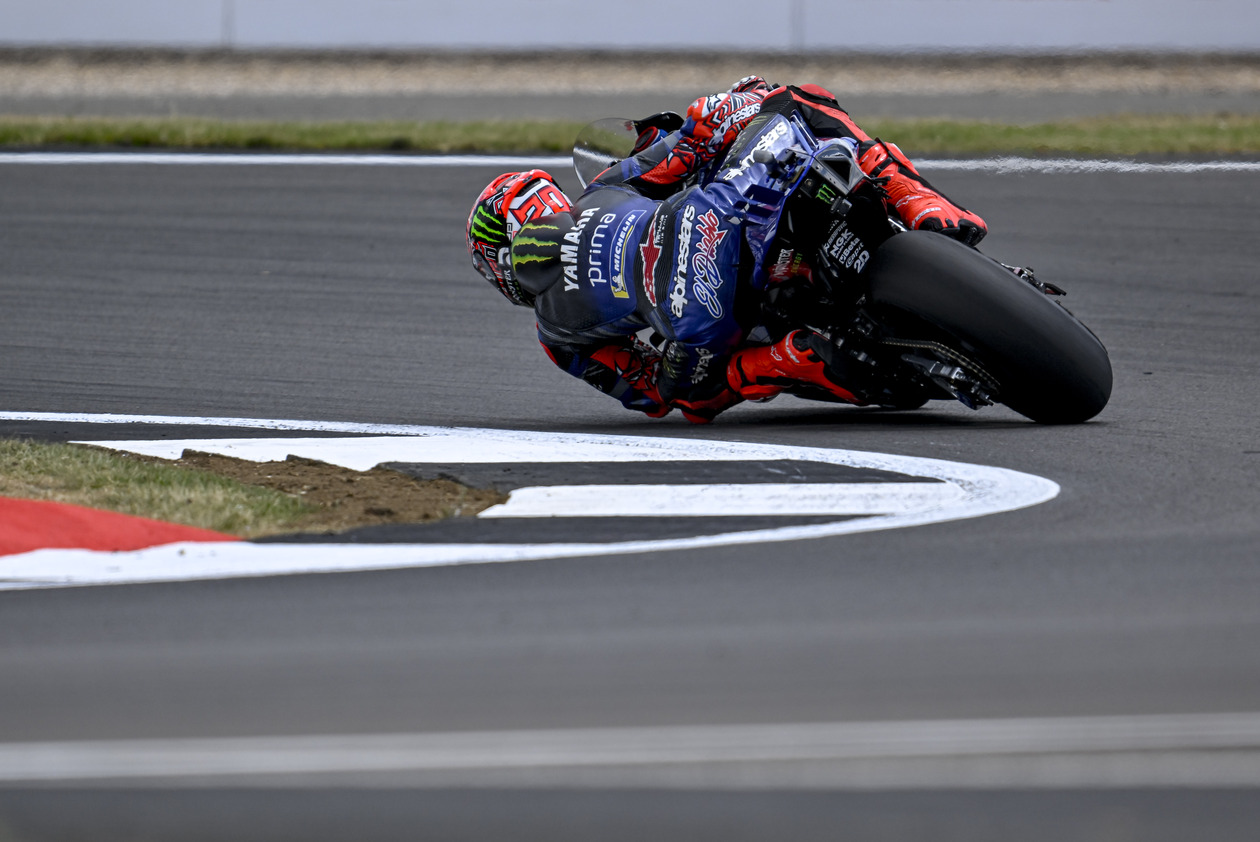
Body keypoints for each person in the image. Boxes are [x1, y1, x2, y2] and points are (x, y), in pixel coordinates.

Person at [466, 77, 986, 423]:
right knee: (800, 99)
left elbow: (650, 394)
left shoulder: (557, 338)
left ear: (500, 262)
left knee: (693, 397)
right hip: (714, 220)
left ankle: (790, 358)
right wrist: (731, 105)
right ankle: (919, 200)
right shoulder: (606, 187)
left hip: (701, 321)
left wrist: (683, 359)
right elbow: (686, 148)